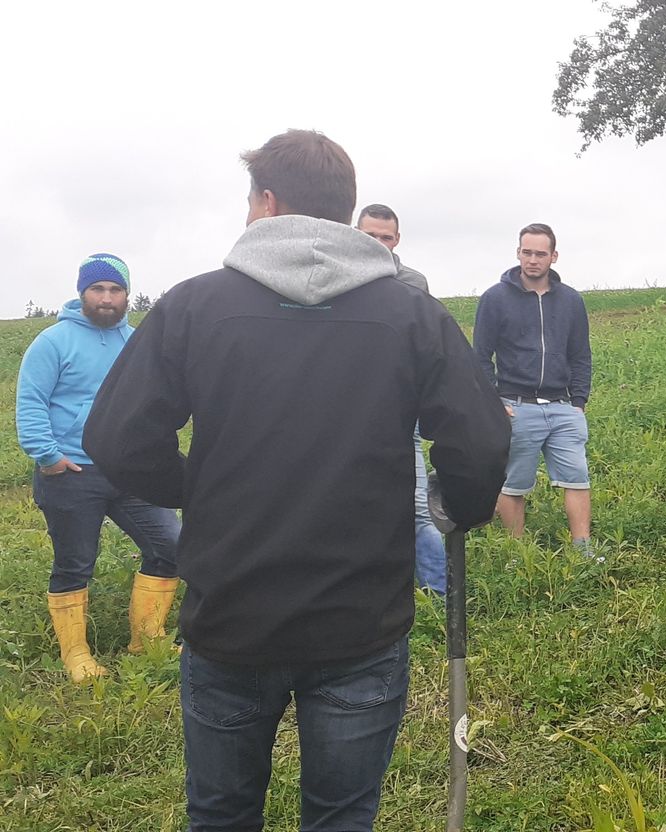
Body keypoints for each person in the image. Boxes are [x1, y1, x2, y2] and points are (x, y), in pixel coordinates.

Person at [85, 129, 510, 830]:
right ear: (343, 212)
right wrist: (457, 505)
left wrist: (195, 485)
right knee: (342, 816)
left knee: (221, 813)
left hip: (231, 617)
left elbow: (116, 437)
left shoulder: (195, 307)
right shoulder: (410, 314)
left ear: (268, 203)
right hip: (360, 624)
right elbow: (483, 436)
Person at [16, 254, 182, 682]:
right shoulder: (53, 342)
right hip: (71, 470)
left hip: (130, 471)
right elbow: (31, 401)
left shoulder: (137, 342)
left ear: (127, 295)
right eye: (98, 289)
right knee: (75, 562)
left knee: (172, 545)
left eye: (115, 290)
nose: (107, 298)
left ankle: (147, 639)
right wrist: (48, 456)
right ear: (82, 293)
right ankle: (76, 656)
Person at [473, 223, 595, 554]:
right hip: (516, 405)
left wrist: (579, 402)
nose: (533, 260)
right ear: (518, 253)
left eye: (541, 254)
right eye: (527, 252)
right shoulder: (495, 298)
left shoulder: (570, 300)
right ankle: (518, 553)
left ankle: (583, 549)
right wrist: (494, 402)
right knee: (514, 483)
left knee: (577, 477)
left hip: (562, 406)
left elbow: (581, 355)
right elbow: (481, 356)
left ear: (553, 257)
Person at [356, 203, 447, 593]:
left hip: (398, 408)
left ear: (396, 240)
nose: (377, 243)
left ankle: (437, 593)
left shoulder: (412, 283)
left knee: (415, 508)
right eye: (369, 235)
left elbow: (425, 347)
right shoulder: (333, 279)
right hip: (347, 408)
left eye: (385, 237)